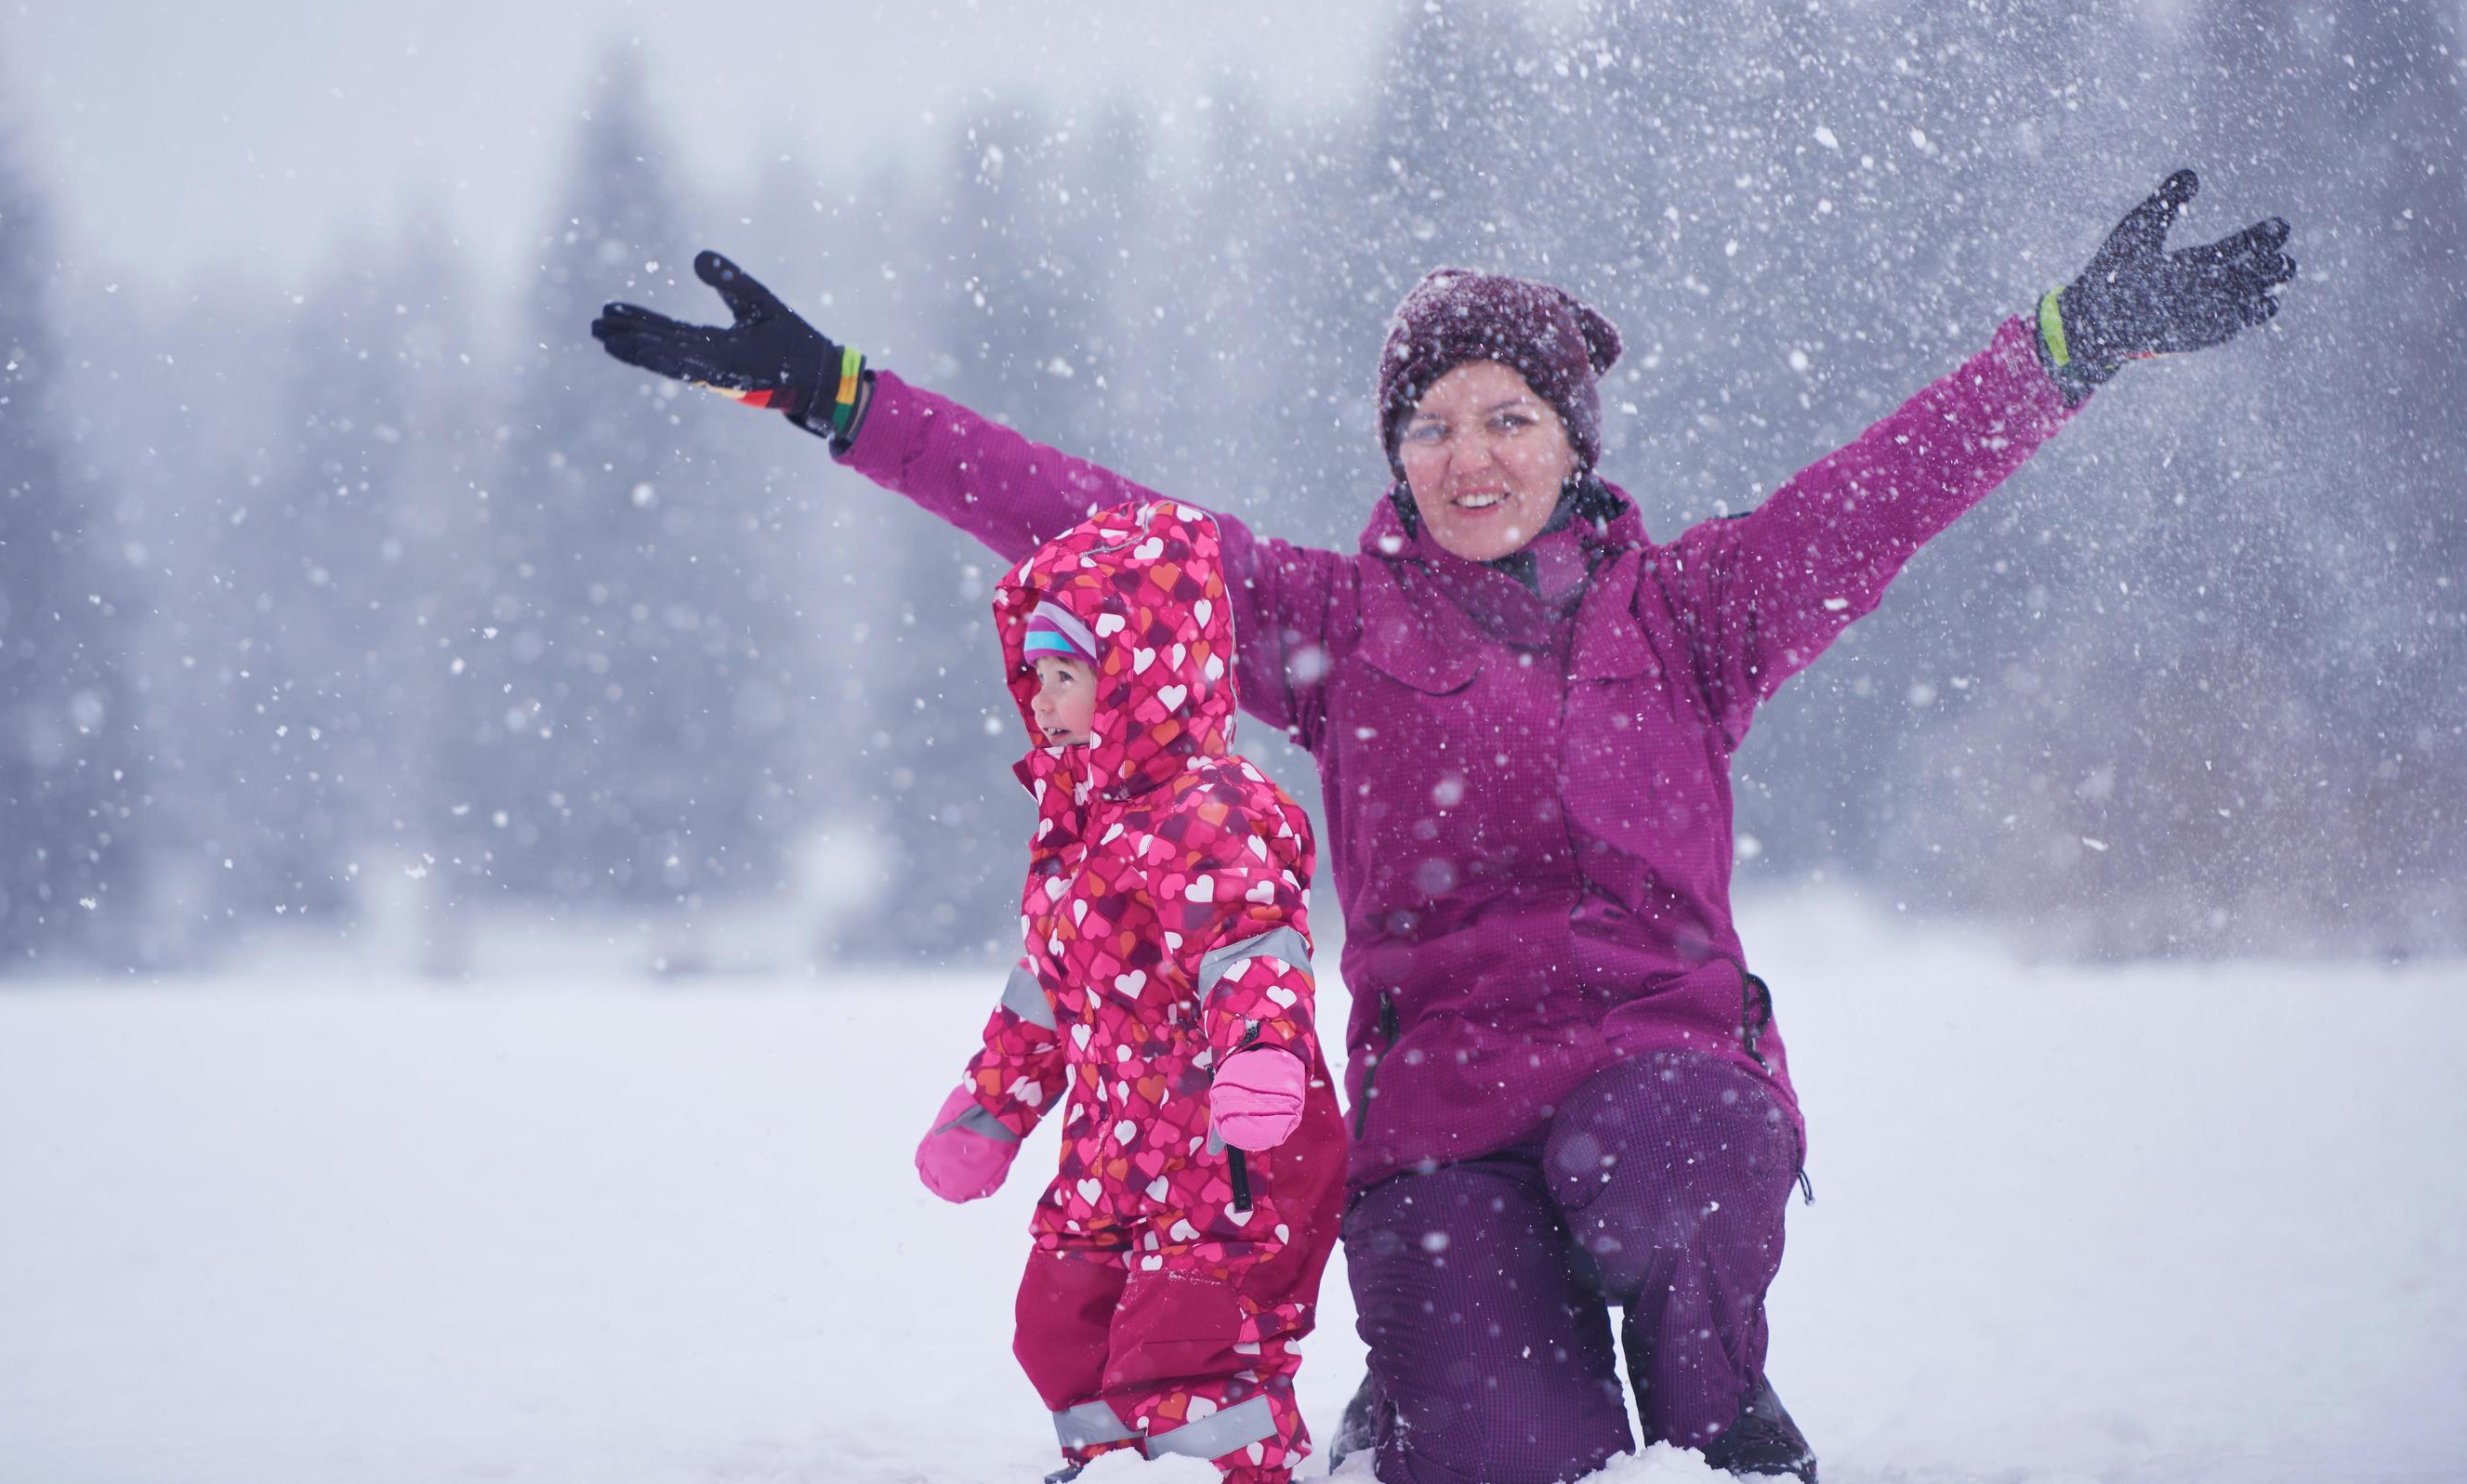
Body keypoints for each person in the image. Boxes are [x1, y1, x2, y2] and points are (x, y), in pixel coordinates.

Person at [593, 169, 2295, 1482]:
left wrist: (2070, 346)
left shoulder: (1695, 616)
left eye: (1506, 418)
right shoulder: (1327, 624)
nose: (1465, 454)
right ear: (1393, 453)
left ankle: (1716, 1407)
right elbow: (1081, 517)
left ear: (1572, 442)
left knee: (1676, 1168)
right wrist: (835, 395)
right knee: (1484, 1450)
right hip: (1440, 1128)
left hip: (1664, 1073)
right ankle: (1410, 1407)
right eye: (1428, 424)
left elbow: (1886, 490)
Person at [911, 498, 1345, 1484]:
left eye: (1068, 677)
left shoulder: (1213, 810)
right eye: (1040, 677)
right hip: (1111, 1146)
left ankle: (1227, 1468)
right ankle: (1112, 1465)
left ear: (1140, 682)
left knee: (1190, 1339)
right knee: (1060, 1323)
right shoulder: (1075, 834)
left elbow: (1254, 949)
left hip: (1224, 1147)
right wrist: (990, 1107)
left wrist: (1261, 1058)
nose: (1047, 701)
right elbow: (1050, 993)